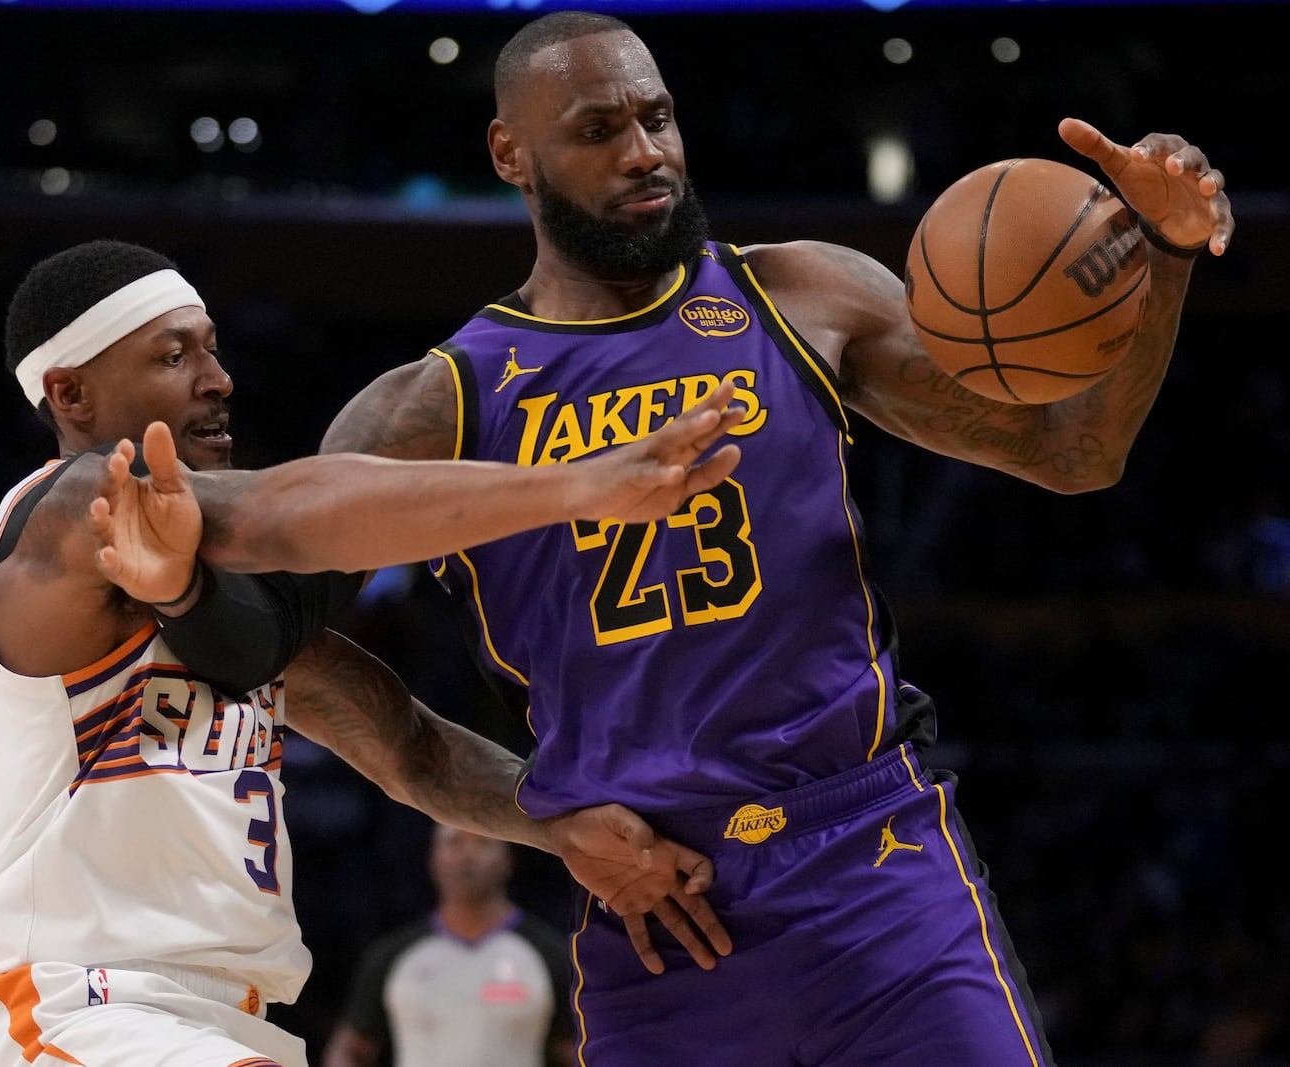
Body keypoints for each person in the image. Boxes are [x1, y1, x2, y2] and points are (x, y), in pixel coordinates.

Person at [317, 11, 1235, 1067]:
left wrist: (1163, 252)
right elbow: (277, 648)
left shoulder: (796, 295)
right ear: (509, 153)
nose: (644, 150)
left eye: (657, 116)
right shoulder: (439, 406)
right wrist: (536, 819)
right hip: (660, 911)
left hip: (874, 864)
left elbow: (1073, 453)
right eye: (599, 127)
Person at [0, 238, 744, 1067]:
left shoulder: (219, 605)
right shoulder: (66, 510)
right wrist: (579, 487)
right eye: (174, 354)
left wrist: (559, 826)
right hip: (78, 1004)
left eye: (213, 347)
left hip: (223, 1020)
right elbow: (281, 515)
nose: (217, 378)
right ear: (71, 392)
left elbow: (407, 744)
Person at [322, 822, 576, 1067]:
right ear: (433, 859)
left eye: (482, 842)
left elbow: (578, 1051)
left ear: (508, 859)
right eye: (454, 842)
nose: (468, 855)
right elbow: (349, 1051)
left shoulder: (548, 954)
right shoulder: (393, 955)